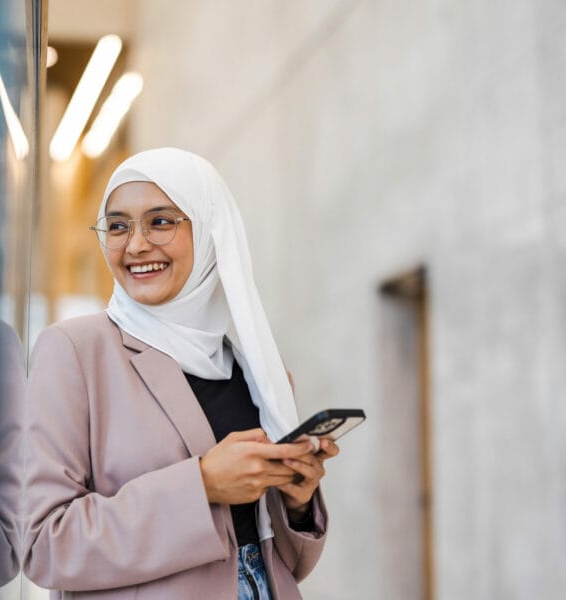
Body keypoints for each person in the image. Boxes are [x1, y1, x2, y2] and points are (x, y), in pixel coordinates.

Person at [23, 148, 340, 599]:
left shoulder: (260, 373)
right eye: (117, 226)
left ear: (209, 229)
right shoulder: (76, 351)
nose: (135, 245)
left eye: (160, 221)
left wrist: (298, 502)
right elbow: (44, 543)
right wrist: (204, 484)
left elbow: (284, 563)